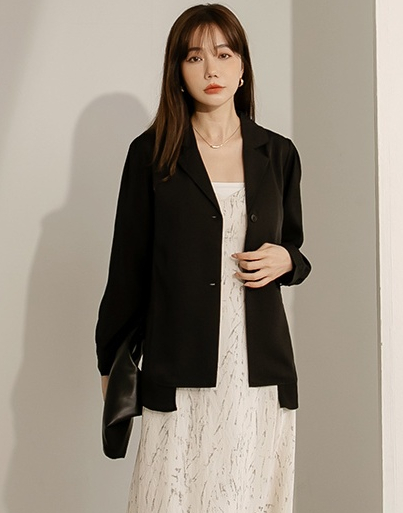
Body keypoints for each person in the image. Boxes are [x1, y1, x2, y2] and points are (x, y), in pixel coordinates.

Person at [95, 4, 311, 512]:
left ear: (242, 67)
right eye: (194, 57)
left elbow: (294, 249)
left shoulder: (278, 154)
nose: (211, 69)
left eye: (224, 54)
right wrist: (111, 364)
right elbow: (127, 267)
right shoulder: (151, 154)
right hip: (179, 364)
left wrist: (288, 261)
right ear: (178, 69)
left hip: (258, 369)